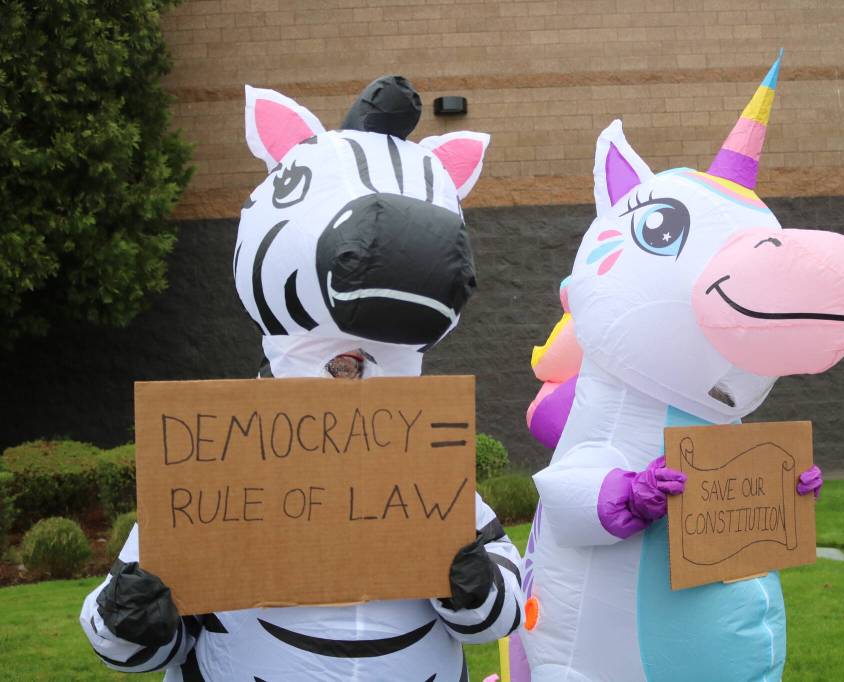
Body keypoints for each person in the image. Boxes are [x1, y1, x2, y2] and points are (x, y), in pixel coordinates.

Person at [80, 76, 523, 682]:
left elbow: (500, 610)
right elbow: (137, 641)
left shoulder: (428, 474)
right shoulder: (219, 470)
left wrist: (475, 586)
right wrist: (131, 615)